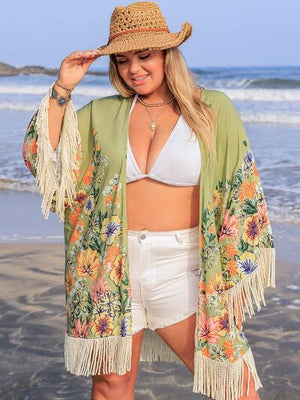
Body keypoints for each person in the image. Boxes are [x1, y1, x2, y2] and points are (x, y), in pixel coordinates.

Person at [22, 2, 276, 400]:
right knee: (111, 385)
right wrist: (63, 87)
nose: (133, 69)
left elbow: (240, 192)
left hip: (184, 267)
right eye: (122, 60)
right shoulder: (103, 115)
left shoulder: (212, 110)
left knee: (233, 383)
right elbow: (46, 160)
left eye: (144, 55)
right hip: (109, 267)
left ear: (167, 54)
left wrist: (228, 281)